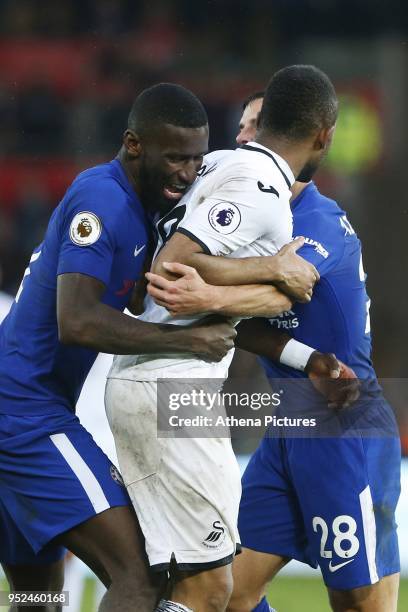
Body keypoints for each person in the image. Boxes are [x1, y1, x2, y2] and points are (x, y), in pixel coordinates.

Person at [148, 89, 401, 612]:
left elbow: (283, 291)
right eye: (242, 128)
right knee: (228, 593)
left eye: (259, 126)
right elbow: (239, 320)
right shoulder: (246, 216)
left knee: (359, 601)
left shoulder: (316, 222)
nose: (246, 139)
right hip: (287, 426)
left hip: (343, 424)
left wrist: (206, 294)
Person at [105, 64, 338, 612]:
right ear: (324, 133)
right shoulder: (259, 193)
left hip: (147, 380)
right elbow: (171, 266)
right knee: (211, 590)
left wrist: (269, 282)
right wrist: (273, 271)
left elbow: (252, 294)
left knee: (174, 583)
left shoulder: (214, 165)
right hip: (173, 386)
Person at [0, 83, 238, 612]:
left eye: (197, 157)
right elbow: (77, 321)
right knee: (139, 575)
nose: (188, 171)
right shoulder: (103, 199)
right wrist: (185, 340)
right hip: (25, 416)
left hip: (21, 413)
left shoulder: (144, 212)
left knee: (36, 595)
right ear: (134, 144)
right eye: (175, 156)